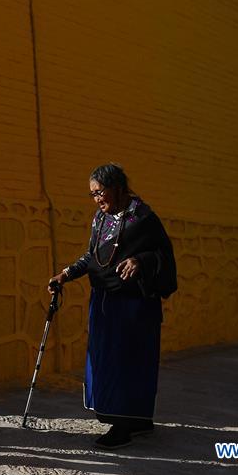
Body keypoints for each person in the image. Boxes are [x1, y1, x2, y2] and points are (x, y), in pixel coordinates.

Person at [49, 163, 176, 450]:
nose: (97, 199)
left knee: (127, 362)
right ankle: (139, 420)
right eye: (92, 194)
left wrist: (140, 261)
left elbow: (164, 256)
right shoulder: (101, 219)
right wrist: (65, 274)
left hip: (134, 307)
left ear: (117, 188)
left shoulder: (143, 218)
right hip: (104, 302)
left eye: (100, 192)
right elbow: (92, 256)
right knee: (105, 361)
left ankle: (124, 425)